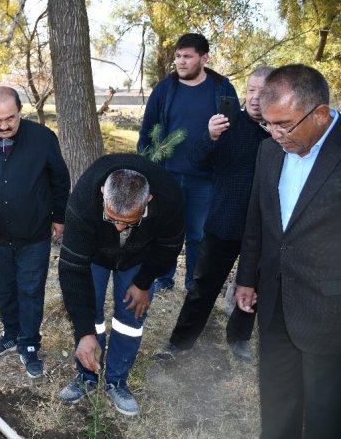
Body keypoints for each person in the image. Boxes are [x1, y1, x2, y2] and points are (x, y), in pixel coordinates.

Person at [234, 64, 341, 438]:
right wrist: (246, 278)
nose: (276, 135)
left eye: (285, 125)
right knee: (278, 398)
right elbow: (258, 221)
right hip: (276, 299)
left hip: (330, 309)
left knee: (327, 411)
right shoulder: (269, 151)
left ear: (321, 114)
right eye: (269, 124)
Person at [156, 67, 274, 363]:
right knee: (202, 289)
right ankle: (180, 343)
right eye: (250, 90)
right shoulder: (227, 125)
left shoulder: (281, 133)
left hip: (261, 231)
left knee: (252, 290)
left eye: (263, 92)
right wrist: (209, 136)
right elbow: (197, 159)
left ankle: (239, 338)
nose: (255, 98)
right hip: (223, 222)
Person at [0, 86, 70, 378]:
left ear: (21, 112)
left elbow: (59, 181)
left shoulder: (43, 139)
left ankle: (29, 343)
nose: (4, 125)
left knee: (30, 290)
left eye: (10, 118)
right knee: (4, 288)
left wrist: (59, 217)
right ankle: (10, 333)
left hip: (34, 234)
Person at [58, 154, 184, 416]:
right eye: (111, 217)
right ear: (103, 193)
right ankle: (87, 375)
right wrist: (84, 333)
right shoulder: (83, 200)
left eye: (128, 222)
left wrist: (143, 281)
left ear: (148, 200)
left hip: (139, 257)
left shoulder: (169, 196)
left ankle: (116, 380)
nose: (117, 228)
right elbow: (72, 269)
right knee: (89, 312)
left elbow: (169, 245)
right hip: (95, 255)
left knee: (130, 316)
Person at [138, 33, 238, 292]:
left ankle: (194, 282)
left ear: (204, 58)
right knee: (166, 230)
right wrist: (148, 168)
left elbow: (234, 132)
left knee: (198, 235)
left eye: (187, 57)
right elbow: (147, 129)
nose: (181, 62)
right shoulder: (165, 88)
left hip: (205, 178)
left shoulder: (221, 88)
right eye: (178, 57)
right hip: (167, 175)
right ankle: (163, 278)